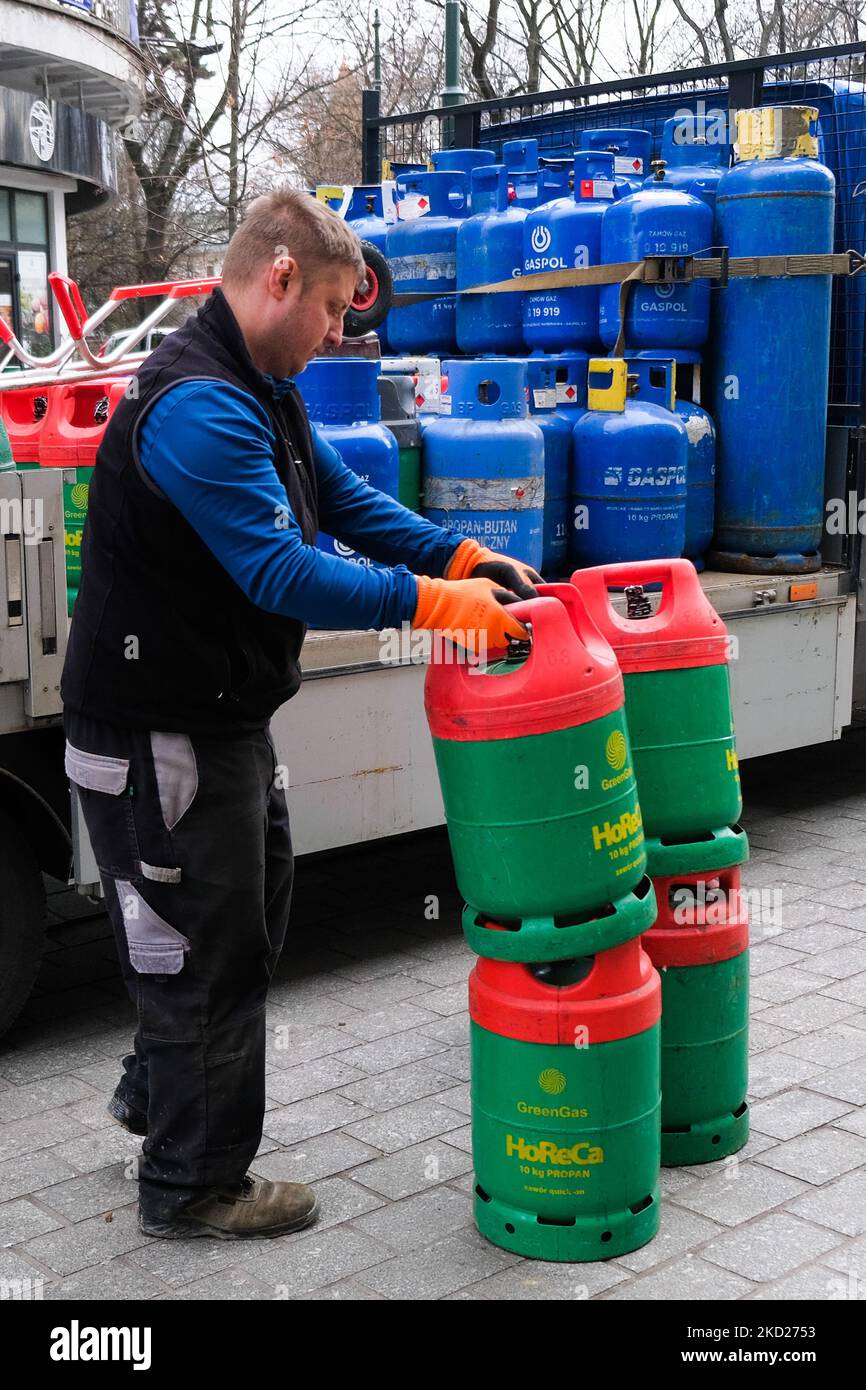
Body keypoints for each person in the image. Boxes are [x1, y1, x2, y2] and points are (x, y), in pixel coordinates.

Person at [60, 187, 541, 1241]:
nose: (337, 334)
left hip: (213, 717)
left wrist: (453, 553)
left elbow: (336, 499)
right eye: (329, 309)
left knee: (247, 912)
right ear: (278, 274)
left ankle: (159, 1099)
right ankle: (192, 1184)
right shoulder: (198, 404)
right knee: (205, 949)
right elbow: (280, 569)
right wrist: (432, 605)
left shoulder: (260, 384)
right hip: (160, 733)